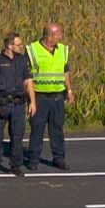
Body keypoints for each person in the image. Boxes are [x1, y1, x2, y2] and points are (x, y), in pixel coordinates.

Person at [0, 31, 33, 178]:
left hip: (18, 104)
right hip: (1, 104)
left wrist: (32, 102)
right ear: (10, 46)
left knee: (17, 136)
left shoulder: (22, 60)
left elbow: (28, 81)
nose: (21, 46)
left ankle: (15, 165)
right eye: (18, 44)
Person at [25, 22, 72, 170]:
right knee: (37, 129)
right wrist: (30, 99)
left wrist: (69, 90)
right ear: (50, 35)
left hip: (58, 96)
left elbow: (66, 71)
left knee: (57, 129)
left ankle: (59, 158)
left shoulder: (62, 50)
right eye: (59, 34)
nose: (61, 37)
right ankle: (33, 159)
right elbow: (27, 76)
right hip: (39, 97)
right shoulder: (32, 50)